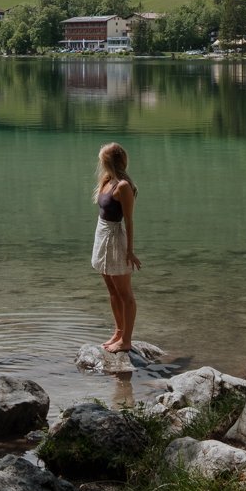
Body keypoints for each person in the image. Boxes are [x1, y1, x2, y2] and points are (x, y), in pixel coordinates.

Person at [91, 142, 141, 353]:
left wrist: (129, 250)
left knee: (125, 293)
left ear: (109, 161)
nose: (99, 162)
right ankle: (118, 331)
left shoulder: (123, 186)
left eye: (102, 159)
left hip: (114, 238)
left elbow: (129, 220)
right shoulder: (107, 180)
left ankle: (126, 341)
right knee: (112, 290)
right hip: (102, 235)